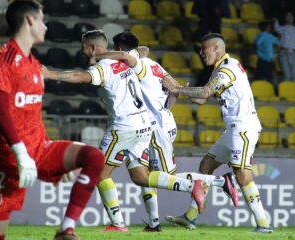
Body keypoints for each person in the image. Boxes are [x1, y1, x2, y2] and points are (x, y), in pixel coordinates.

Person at [0, 2, 105, 240]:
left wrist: (54, 163)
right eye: (41, 19)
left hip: (40, 149)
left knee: (94, 157)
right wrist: (21, 154)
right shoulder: (2, 61)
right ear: (29, 20)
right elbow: (1, 113)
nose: (45, 26)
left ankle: (65, 229)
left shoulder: (33, 64)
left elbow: (29, 115)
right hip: (6, 158)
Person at [43, 30, 208, 226]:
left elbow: (81, 76)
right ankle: (192, 186)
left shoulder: (103, 67)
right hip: (143, 127)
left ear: (92, 47)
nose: (81, 50)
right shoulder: (125, 62)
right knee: (142, 177)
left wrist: (50, 74)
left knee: (99, 172)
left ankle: (118, 224)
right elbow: (142, 50)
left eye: (83, 46)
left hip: (123, 128)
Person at [92, 31, 239, 232]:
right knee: (144, 174)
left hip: (155, 127)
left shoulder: (138, 65)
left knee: (165, 177)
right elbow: (173, 88)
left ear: (117, 49)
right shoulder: (154, 64)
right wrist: (165, 110)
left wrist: (99, 55)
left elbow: (134, 58)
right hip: (155, 123)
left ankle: (221, 181)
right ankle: (153, 223)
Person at [163, 33, 273, 233]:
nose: (201, 53)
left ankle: (263, 224)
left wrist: (177, 89)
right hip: (232, 129)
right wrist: (183, 92)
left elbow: (205, 92)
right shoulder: (218, 71)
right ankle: (190, 217)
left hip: (243, 127)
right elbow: (203, 99)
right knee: (206, 164)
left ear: (216, 48)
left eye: (203, 48)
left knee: (242, 173)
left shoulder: (228, 67)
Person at [274, 12, 295, 81]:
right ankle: (285, 90)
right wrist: (275, 20)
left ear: (293, 18)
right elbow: (276, 27)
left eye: (291, 16)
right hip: (284, 53)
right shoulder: (282, 28)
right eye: (287, 16)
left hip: (292, 53)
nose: (289, 17)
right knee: (287, 75)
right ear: (285, 18)